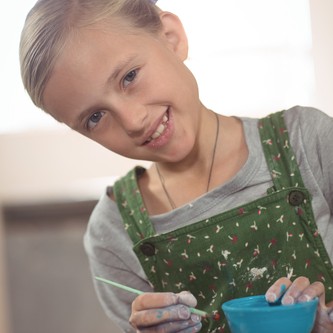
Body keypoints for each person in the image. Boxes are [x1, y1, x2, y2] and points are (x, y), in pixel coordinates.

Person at [19, 0, 333, 332]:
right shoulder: (112, 234)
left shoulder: (306, 141)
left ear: (171, 37)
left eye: (129, 77)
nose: (134, 120)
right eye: (94, 117)